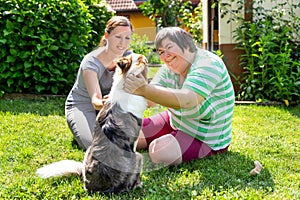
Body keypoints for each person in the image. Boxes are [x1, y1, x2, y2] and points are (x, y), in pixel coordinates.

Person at [124, 27, 235, 166]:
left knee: (159, 152)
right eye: (161, 52)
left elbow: (188, 100)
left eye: (169, 47)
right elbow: (151, 99)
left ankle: (171, 141)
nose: (165, 56)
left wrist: (144, 89)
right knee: (126, 133)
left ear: (187, 44)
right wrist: (123, 97)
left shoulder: (207, 64)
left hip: (204, 137)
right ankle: (169, 137)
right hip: (175, 121)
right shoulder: (169, 68)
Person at [65, 16, 133, 150]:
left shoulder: (129, 58)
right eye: (118, 37)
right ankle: (81, 124)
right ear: (107, 35)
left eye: (127, 38)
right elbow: (95, 101)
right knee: (95, 146)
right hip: (84, 105)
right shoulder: (91, 62)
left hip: (111, 107)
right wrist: (107, 102)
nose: (122, 43)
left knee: (127, 141)